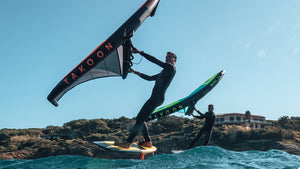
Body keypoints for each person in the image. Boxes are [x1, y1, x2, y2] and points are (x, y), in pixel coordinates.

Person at [118, 47, 177, 148]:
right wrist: (135, 72)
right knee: (140, 119)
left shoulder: (171, 68)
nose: (167, 58)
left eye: (170, 57)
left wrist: (140, 52)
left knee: (140, 119)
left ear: (174, 60)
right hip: (155, 98)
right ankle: (147, 141)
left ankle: (128, 142)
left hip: (157, 98)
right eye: (166, 57)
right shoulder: (164, 71)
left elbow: (155, 60)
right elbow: (149, 78)